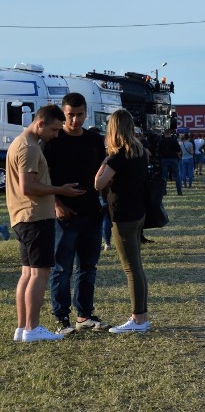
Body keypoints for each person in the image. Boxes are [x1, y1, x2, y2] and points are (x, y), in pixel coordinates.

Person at [8, 105, 85, 342]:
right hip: (35, 218)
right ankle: (33, 328)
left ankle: (23, 328)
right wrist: (59, 190)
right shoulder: (29, 147)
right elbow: (27, 187)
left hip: (23, 217)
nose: (56, 135)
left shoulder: (20, 142)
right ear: (40, 124)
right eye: (53, 129)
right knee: (40, 274)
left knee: (28, 274)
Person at [43, 93, 110, 336]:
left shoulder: (94, 139)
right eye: (70, 115)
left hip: (92, 213)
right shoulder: (53, 140)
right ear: (63, 114)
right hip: (65, 215)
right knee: (62, 268)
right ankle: (62, 318)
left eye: (80, 114)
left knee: (88, 267)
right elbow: (43, 178)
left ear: (85, 113)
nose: (75, 119)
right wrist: (56, 204)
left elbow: (104, 173)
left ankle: (84, 315)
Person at [94, 109, 151, 334]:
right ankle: (142, 315)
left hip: (123, 215)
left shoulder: (117, 157)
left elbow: (98, 184)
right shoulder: (139, 152)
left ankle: (138, 318)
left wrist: (103, 163)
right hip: (138, 212)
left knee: (131, 268)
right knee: (137, 267)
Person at [158, 130, 182, 195]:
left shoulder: (162, 141)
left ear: (164, 134)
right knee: (177, 176)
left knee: (164, 176)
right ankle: (179, 191)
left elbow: (159, 151)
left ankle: (164, 191)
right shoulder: (174, 140)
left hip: (164, 159)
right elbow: (178, 150)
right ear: (170, 134)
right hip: (174, 159)